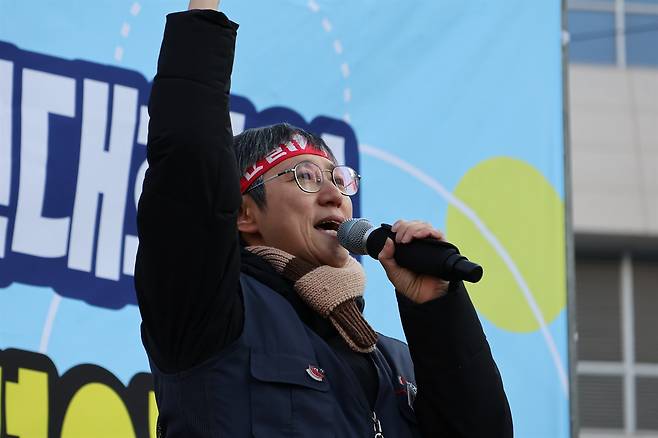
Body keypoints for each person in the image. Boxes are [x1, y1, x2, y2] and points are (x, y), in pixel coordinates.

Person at [135, 0, 513, 436]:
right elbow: (190, 163)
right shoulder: (211, 313)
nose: (335, 195)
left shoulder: (395, 363)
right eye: (306, 177)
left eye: (339, 178)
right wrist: (203, 14)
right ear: (243, 213)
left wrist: (437, 311)